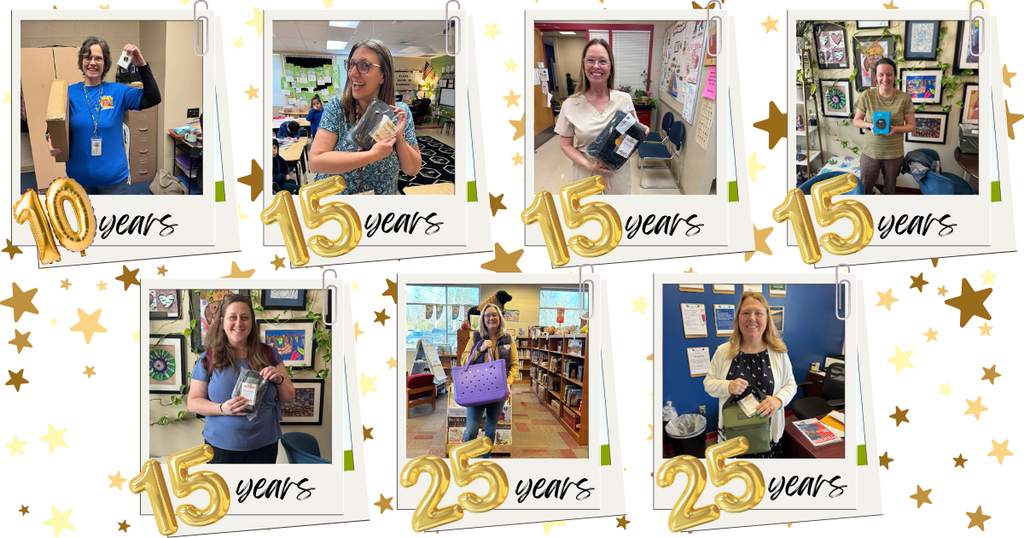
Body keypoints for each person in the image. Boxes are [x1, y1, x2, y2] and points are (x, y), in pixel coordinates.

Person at [187, 295, 295, 464]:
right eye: (232, 317)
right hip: (220, 448)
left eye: (245, 317)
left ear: (252, 322)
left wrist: (279, 379)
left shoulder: (270, 354)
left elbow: (289, 397)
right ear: (222, 322)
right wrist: (222, 408)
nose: (239, 323)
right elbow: (193, 402)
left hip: (264, 447)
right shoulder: (208, 358)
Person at [47, 37, 161, 195]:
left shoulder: (118, 91)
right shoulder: (69, 93)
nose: (92, 62)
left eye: (98, 58)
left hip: (113, 180)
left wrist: (141, 65)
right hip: (80, 180)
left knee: (112, 219)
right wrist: (50, 138)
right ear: (81, 61)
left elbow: (153, 98)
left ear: (105, 63)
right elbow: (54, 122)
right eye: (88, 57)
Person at [309, 39, 422, 195]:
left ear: (383, 75)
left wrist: (398, 135)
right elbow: (315, 163)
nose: (352, 73)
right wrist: (373, 155)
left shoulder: (399, 113)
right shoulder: (338, 106)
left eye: (364, 66)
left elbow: (413, 169)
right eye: (351, 64)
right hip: (337, 204)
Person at [703, 292, 796, 459]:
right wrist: (727, 386)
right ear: (738, 318)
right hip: (734, 433)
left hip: (767, 434)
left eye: (758, 313)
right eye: (746, 312)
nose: (752, 318)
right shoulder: (723, 351)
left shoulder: (779, 352)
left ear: (766, 319)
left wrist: (778, 400)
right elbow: (708, 384)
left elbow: (791, 384)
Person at [555, 38, 648, 195]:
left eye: (603, 61)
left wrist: (640, 132)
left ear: (610, 67)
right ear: (584, 66)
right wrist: (588, 164)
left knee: (617, 216)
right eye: (590, 60)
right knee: (589, 216)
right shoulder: (571, 104)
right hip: (585, 175)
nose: (596, 65)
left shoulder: (623, 99)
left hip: (617, 173)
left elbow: (631, 136)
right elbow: (565, 144)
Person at [457, 303, 519, 458]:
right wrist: (480, 349)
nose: (491, 318)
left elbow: (514, 365)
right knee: (471, 430)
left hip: (498, 392)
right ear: (483, 319)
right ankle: (465, 462)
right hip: (477, 391)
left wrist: (508, 383)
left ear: (499, 317)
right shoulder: (476, 337)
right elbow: (464, 361)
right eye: (487, 315)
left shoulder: (507, 338)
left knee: (490, 429)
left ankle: (486, 461)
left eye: (494, 315)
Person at [851, 58, 915, 194]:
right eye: (881, 74)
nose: (885, 78)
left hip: (894, 154)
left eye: (889, 74)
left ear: (895, 76)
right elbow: (856, 120)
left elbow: (911, 126)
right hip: (870, 152)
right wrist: (870, 125)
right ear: (875, 76)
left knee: (890, 190)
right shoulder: (867, 96)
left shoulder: (904, 98)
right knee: (865, 189)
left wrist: (896, 129)